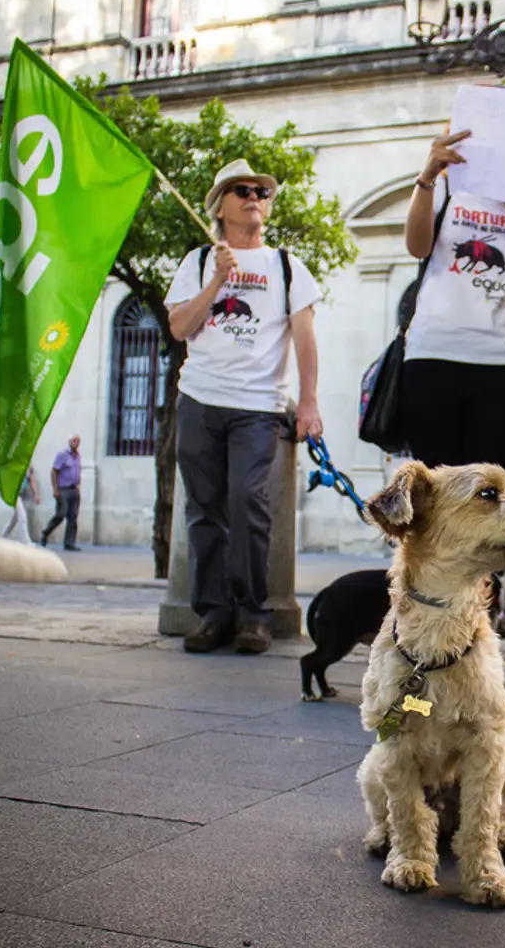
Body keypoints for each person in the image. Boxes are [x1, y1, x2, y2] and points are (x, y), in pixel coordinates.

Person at [165, 158, 325, 656]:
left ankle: (253, 615)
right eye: (241, 190)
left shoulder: (286, 265)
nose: (254, 196)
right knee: (204, 511)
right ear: (220, 206)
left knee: (247, 504)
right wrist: (216, 282)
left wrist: (309, 402)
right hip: (199, 400)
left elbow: (305, 338)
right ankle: (213, 614)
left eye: (260, 190)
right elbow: (179, 328)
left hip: (258, 407)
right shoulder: (196, 261)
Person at [398, 127, 505, 476]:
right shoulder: (445, 190)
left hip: (501, 360)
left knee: (489, 491)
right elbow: (416, 246)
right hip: (433, 354)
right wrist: (428, 176)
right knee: (434, 486)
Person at [41, 435, 82, 551]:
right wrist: (55, 489)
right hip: (63, 489)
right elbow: (54, 472)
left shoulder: (77, 456)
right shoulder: (62, 455)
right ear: (69, 441)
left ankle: (69, 543)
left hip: (74, 490)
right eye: (74, 440)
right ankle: (45, 533)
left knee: (73, 518)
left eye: (78, 441)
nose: (76, 443)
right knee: (60, 514)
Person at [2, 465, 39, 545]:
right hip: (13, 494)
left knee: (15, 518)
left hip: (20, 493)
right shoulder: (15, 463)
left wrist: (35, 493)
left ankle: (3, 537)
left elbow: (31, 479)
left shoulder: (28, 465)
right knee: (22, 516)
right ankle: (25, 541)